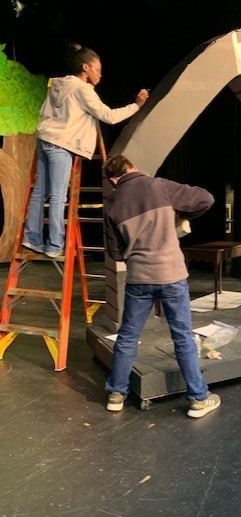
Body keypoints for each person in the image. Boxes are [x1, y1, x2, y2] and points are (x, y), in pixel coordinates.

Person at [102, 154, 221, 418]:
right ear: (133, 168)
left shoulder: (111, 203)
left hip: (139, 279)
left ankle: (116, 394)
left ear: (113, 180)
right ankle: (198, 399)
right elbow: (206, 199)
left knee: (128, 336)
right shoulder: (159, 186)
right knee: (182, 337)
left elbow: (115, 252)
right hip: (171, 275)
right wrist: (181, 215)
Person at [22, 43, 149, 258]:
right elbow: (109, 116)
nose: (100, 74)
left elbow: (44, 111)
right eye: (97, 69)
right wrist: (136, 105)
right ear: (85, 67)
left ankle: (31, 237)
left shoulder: (59, 84)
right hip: (61, 144)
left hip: (45, 139)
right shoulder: (82, 90)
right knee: (58, 195)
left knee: (40, 192)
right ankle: (54, 245)